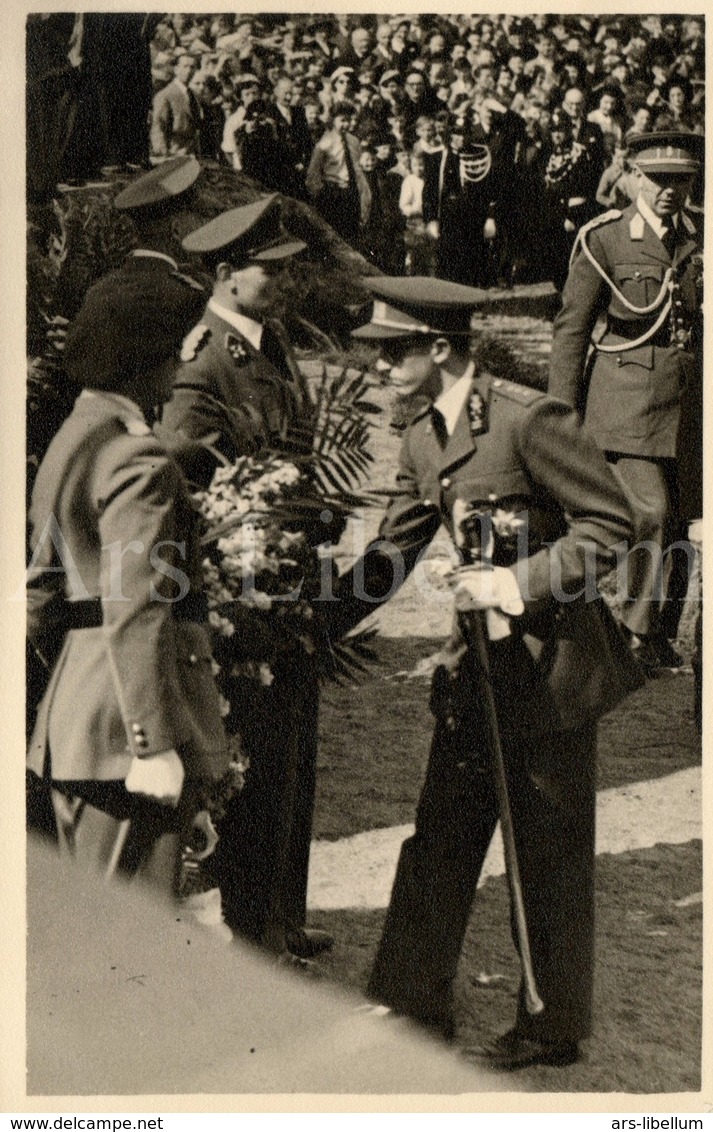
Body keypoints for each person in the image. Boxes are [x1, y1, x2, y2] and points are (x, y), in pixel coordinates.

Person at [325, 274, 637, 1067]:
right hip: (475, 673)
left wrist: (514, 581)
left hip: (549, 672)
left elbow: (611, 524)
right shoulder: (425, 432)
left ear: (438, 349)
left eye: (394, 353)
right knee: (440, 836)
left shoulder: (527, 419)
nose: (381, 369)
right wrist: (308, 625)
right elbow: (391, 549)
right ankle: (412, 1002)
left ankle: (549, 1025)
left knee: (547, 850)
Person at [159, 198, 333, 966]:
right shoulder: (205, 359)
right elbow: (180, 469)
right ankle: (254, 934)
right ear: (227, 276)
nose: (285, 281)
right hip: (247, 588)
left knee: (293, 749)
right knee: (257, 760)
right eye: (273, 269)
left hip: (289, 578)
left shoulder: (269, 340)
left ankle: (280, 918)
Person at [26, 258, 230, 892]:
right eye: (174, 354)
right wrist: (152, 743)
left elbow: (41, 586)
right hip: (122, 731)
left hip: (75, 717)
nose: (178, 373)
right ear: (151, 360)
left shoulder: (74, 436)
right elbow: (136, 605)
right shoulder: (139, 460)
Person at [548, 131, 703, 673]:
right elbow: (572, 332)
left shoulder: (700, 235)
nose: (669, 191)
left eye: (681, 180)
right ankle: (635, 634)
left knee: (682, 518)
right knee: (652, 514)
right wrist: (559, 417)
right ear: (633, 176)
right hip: (627, 402)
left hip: (688, 404)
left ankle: (657, 634)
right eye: (658, 179)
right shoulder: (606, 238)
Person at [305, 100, 371, 244]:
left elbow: (358, 170)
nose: (346, 125)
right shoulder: (324, 143)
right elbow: (313, 173)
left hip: (350, 192)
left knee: (352, 236)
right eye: (342, 120)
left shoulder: (353, 141)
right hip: (332, 193)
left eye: (349, 120)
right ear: (333, 120)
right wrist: (322, 195)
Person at [149, 53, 202, 161]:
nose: (189, 71)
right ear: (176, 69)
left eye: (192, 67)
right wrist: (164, 155)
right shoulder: (165, 95)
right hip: (174, 156)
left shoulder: (193, 94)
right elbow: (158, 126)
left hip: (192, 155)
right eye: (185, 66)